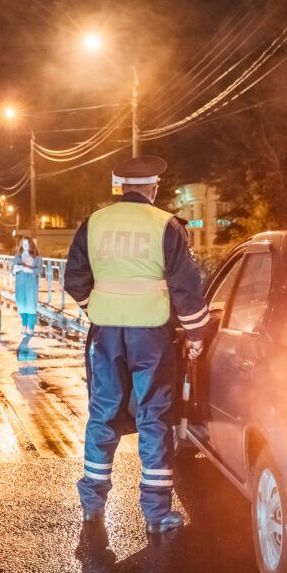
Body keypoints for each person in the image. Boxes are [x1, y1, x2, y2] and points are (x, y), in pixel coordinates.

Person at [64, 155, 210, 535]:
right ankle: (157, 513)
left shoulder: (93, 224)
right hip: (152, 336)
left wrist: (96, 307)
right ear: (153, 187)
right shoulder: (166, 226)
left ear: (121, 186)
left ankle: (92, 505)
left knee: (103, 413)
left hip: (106, 333)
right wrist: (196, 335)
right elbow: (187, 288)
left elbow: (74, 279)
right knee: (155, 418)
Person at [11, 235, 44, 338]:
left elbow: (40, 271)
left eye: (27, 244)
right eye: (23, 244)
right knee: (21, 306)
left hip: (31, 285)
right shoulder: (17, 257)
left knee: (30, 307)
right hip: (20, 285)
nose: (25, 246)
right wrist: (16, 269)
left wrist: (30, 270)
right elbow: (12, 270)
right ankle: (24, 326)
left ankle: (30, 328)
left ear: (31, 244)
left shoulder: (37, 257)